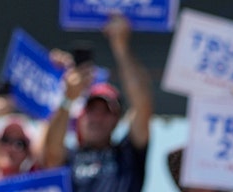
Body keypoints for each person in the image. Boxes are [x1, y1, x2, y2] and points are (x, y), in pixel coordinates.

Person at [42, 13, 153, 192]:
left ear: (117, 120)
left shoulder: (128, 154)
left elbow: (142, 105)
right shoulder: (71, 157)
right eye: (91, 109)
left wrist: (121, 47)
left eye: (106, 111)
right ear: (80, 115)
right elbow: (51, 152)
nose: (97, 117)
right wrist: (68, 98)